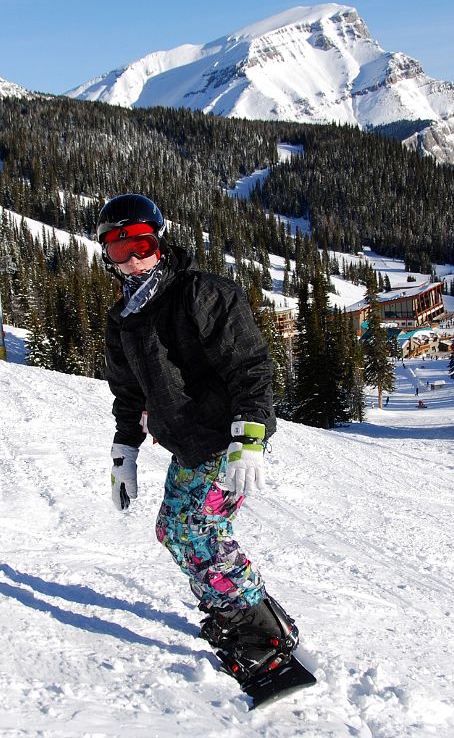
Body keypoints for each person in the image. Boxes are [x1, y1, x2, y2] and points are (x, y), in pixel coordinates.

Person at [97, 194, 300, 684]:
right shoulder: (123, 317)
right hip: (187, 442)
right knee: (174, 531)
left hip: (228, 437)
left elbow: (249, 366)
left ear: (159, 242)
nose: (131, 261)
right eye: (117, 250)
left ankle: (261, 636)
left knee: (197, 532)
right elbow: (128, 393)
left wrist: (249, 436)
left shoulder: (201, 294)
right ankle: (245, 617)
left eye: (140, 245)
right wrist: (125, 449)